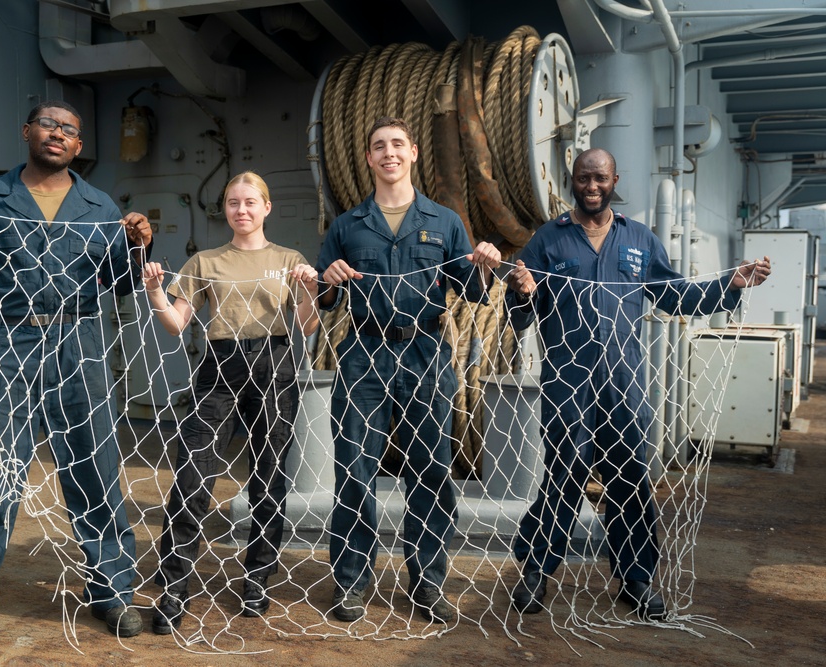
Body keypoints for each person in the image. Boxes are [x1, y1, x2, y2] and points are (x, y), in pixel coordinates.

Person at [0, 100, 152, 659]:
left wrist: (141, 242)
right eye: (48, 124)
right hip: (8, 344)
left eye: (70, 129)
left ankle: (111, 591)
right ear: (26, 132)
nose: (58, 133)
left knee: (96, 471)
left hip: (79, 346)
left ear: (78, 145)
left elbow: (122, 281)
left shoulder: (98, 206)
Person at [504, 148, 772, 620]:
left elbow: (677, 294)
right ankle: (536, 570)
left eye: (600, 178)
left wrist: (732, 283)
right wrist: (520, 292)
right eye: (584, 177)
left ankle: (637, 578)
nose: (592, 185)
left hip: (625, 387)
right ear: (573, 180)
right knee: (563, 477)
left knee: (629, 482)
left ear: (614, 179)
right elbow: (518, 316)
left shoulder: (639, 240)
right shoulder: (547, 241)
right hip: (567, 387)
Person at [315, 116, 502, 624]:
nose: (389, 153)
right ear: (370, 158)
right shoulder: (347, 225)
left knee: (431, 470)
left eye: (398, 144)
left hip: (425, 349)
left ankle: (427, 583)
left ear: (414, 153)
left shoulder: (445, 221)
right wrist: (329, 279)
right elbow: (326, 301)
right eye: (379, 146)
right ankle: (352, 582)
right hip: (363, 353)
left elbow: (474, 291)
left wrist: (484, 263)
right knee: (354, 469)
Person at [141, 171, 320, 633]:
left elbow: (305, 325)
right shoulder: (206, 261)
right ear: (226, 210)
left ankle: (258, 577)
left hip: (275, 367)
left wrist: (310, 288)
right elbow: (178, 324)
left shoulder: (289, 259)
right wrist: (156, 291)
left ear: (266, 208)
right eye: (233, 203)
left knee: (268, 479)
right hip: (220, 369)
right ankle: (175, 586)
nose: (241, 210)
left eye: (250, 202)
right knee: (193, 477)